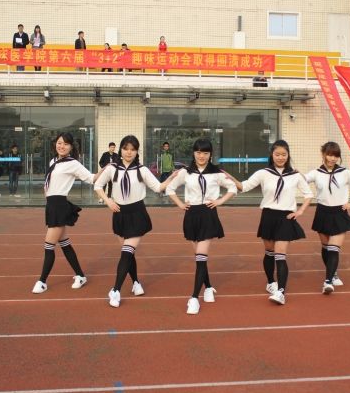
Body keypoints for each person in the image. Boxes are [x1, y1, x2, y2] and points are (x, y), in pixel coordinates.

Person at [226, 140, 312, 305]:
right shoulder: (263, 173)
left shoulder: (295, 175)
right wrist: (230, 178)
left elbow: (308, 194)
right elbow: (244, 186)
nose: (280, 157)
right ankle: (271, 282)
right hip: (268, 216)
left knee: (281, 255)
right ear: (271, 155)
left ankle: (281, 292)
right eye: (277, 154)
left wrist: (300, 211)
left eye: (284, 154)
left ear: (288, 155)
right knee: (269, 252)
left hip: (286, 217)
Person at [94, 135, 176, 308]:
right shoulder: (112, 168)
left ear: (137, 151)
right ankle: (136, 282)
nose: (129, 152)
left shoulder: (142, 170)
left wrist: (172, 177)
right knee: (128, 254)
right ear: (121, 150)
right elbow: (98, 186)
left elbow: (158, 187)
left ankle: (115, 290)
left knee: (126, 252)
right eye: (126, 148)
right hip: (119, 214)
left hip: (137, 213)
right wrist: (108, 201)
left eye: (133, 149)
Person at [166, 139, 237, 315]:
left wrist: (219, 201)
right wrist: (180, 204)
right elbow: (170, 188)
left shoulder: (217, 173)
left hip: (208, 215)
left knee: (200, 256)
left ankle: (194, 298)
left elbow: (233, 188)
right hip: (191, 215)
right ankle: (208, 287)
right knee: (199, 258)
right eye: (198, 152)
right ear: (193, 153)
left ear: (210, 154)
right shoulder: (185, 172)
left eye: (205, 153)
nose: (201, 156)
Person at [32, 132, 102, 294]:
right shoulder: (53, 161)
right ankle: (80, 275)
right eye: (59, 143)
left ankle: (42, 281)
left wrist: (106, 169)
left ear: (71, 147)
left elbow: (91, 178)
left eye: (65, 144)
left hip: (59, 205)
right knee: (64, 243)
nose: (61, 146)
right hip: (51, 205)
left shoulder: (73, 163)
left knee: (49, 245)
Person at [305, 142, 350, 295]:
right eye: (330, 155)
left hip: (339, 213)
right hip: (322, 213)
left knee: (333, 248)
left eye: (336, 155)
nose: (332, 158)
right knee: (325, 248)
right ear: (323, 154)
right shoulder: (316, 173)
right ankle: (333, 273)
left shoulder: (345, 172)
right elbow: (301, 180)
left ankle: (328, 282)